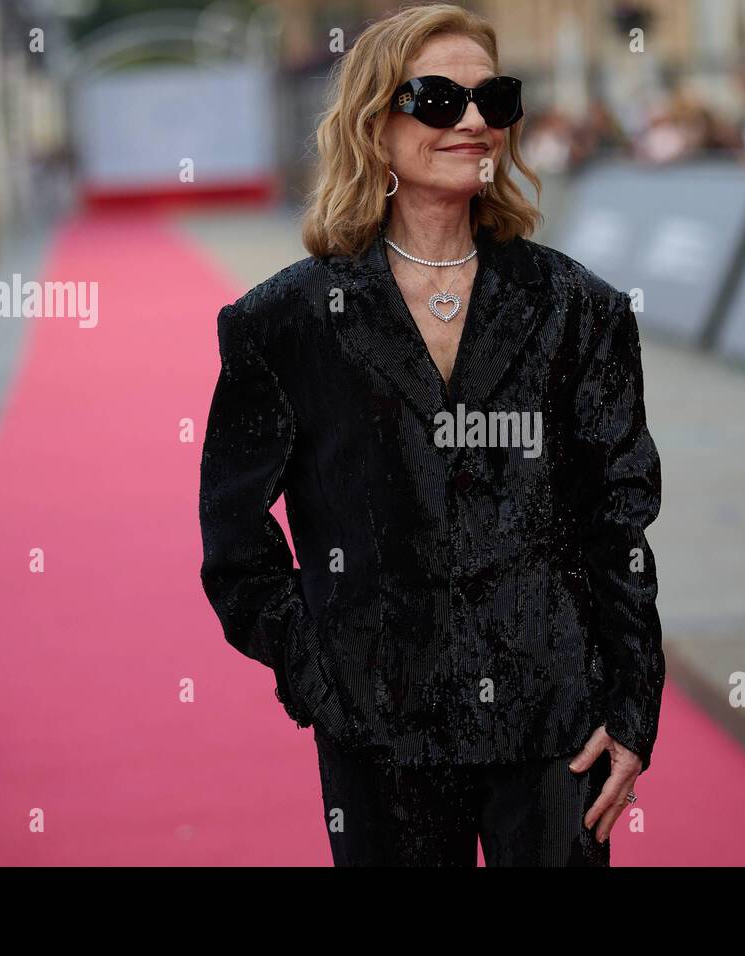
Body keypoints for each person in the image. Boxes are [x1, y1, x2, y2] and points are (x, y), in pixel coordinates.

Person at [197, 2, 665, 867]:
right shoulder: (284, 323)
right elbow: (232, 538)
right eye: (440, 99)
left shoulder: (580, 310)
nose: (476, 120)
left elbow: (618, 524)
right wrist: (318, 672)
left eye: (496, 98)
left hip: (555, 723)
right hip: (378, 730)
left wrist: (632, 709)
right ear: (376, 128)